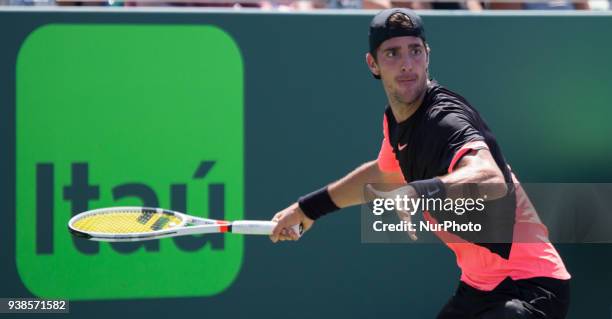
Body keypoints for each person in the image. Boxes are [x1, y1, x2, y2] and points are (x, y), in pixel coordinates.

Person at [270, 8, 571, 319]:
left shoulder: (445, 119)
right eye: (392, 53)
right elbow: (384, 174)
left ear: (427, 55)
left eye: (415, 50)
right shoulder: (397, 123)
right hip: (479, 288)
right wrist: (308, 209)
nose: (406, 63)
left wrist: (418, 191)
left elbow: (490, 179)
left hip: (531, 288)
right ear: (373, 64)